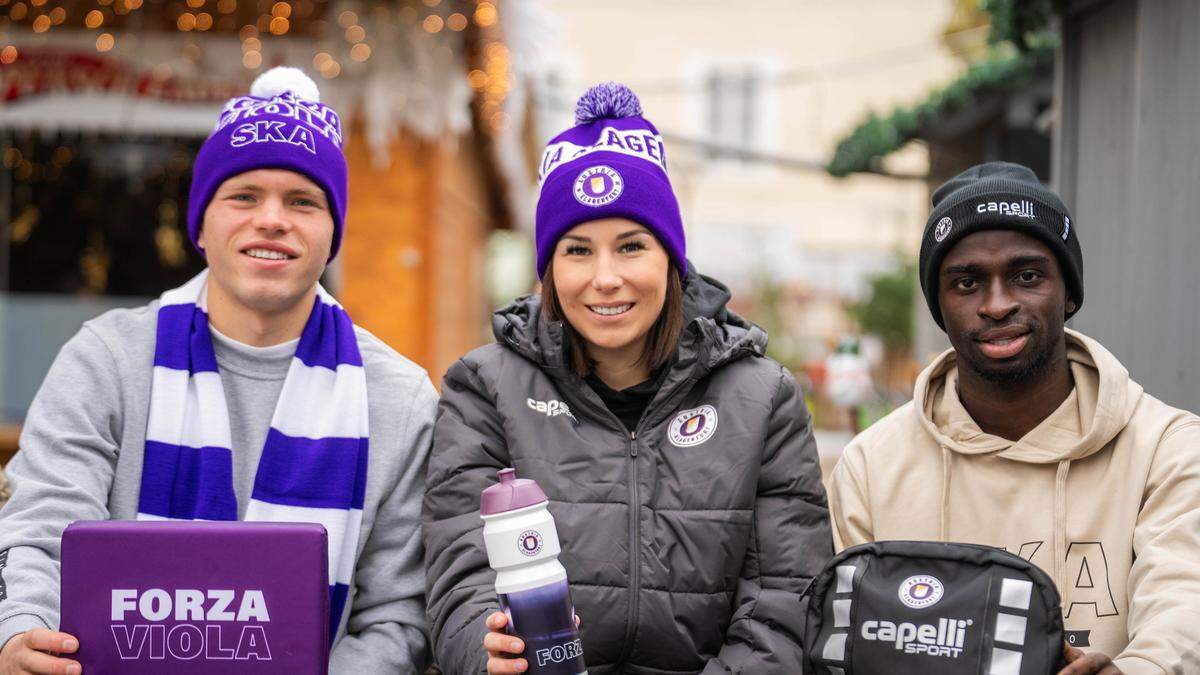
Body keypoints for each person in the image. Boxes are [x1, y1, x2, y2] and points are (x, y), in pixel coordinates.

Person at [0, 68, 435, 674]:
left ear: (332, 233)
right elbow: (41, 532)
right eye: (244, 196)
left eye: (303, 201)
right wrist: (21, 633)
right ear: (201, 225)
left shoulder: (402, 398)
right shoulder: (105, 359)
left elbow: (398, 613)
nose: (272, 219)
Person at [423, 83, 832, 675]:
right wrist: (481, 650)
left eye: (632, 246)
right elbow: (459, 573)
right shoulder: (484, 390)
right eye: (578, 250)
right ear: (548, 268)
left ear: (671, 259)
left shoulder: (762, 398)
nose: (606, 277)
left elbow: (785, 599)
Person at [828, 162, 1200, 675]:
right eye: (967, 282)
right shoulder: (872, 467)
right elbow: (848, 645)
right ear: (939, 305)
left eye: (1027, 276)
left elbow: (1185, 603)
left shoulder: (1168, 448)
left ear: (1068, 292)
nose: (998, 305)